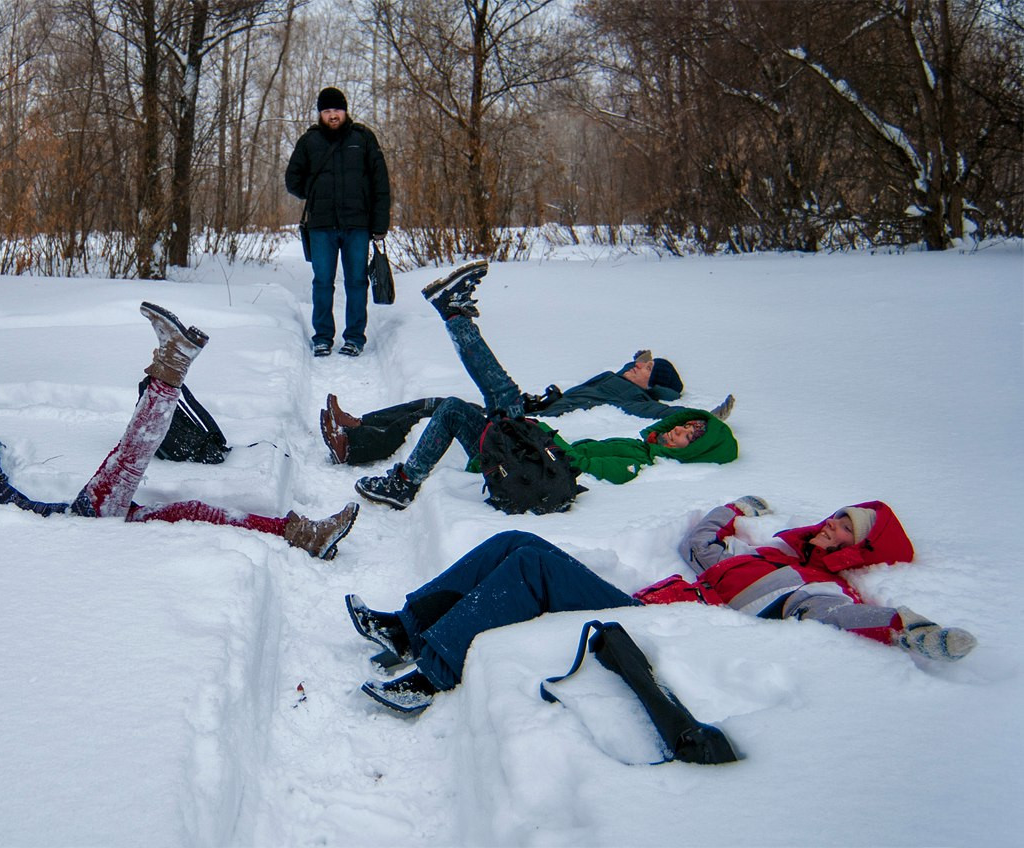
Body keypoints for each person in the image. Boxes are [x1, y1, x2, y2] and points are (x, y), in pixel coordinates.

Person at [0, 303, 360, 563]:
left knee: (191, 508)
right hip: (73, 528)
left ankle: (299, 533)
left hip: (76, 520)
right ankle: (170, 367)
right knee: (127, 460)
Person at [348, 498, 978, 714]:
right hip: (643, 603)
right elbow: (697, 543)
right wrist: (736, 510)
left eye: (847, 533)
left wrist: (904, 627)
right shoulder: (769, 554)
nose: (832, 530)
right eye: (837, 519)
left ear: (856, 554)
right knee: (517, 542)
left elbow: (834, 618)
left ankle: (433, 675)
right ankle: (406, 627)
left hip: (663, 626)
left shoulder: (812, 588)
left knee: (532, 565)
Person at [349, 261, 737, 509]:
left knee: (501, 394)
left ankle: (454, 312)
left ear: (691, 454)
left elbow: (581, 465)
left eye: (688, 435)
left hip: (526, 464)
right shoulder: (638, 439)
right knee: (451, 408)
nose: (679, 431)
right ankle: (403, 483)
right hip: (519, 456)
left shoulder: (639, 463)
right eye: (685, 426)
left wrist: (546, 435)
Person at [320, 351, 734, 465]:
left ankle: (356, 447)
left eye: (645, 369)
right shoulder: (617, 379)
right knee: (435, 403)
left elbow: (666, 418)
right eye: (639, 362)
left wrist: (710, 419)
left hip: (525, 427)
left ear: (652, 387)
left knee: (446, 407)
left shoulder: (637, 401)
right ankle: (360, 426)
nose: (637, 367)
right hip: (531, 410)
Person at [284, 86, 391, 358]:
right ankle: (322, 337)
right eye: (327, 111)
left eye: (337, 110)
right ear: (321, 114)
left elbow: (381, 184)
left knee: (356, 282)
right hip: (321, 227)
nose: (333, 115)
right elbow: (292, 180)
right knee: (322, 282)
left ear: (345, 111)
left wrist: (380, 225)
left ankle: (354, 338)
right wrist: (316, 191)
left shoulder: (363, 138)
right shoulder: (309, 142)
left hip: (358, 225)